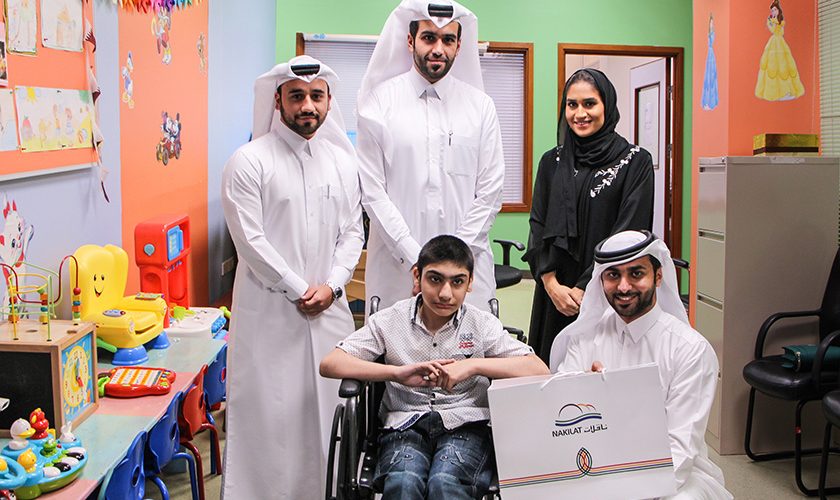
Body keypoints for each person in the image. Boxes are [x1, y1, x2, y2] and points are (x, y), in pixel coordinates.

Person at [220, 55, 364, 499]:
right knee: (271, 419)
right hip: (270, 315)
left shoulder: (342, 162)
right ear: (278, 100)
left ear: (328, 101)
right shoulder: (248, 162)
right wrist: (301, 289)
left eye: (316, 96)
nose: (308, 106)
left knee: (327, 413)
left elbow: (353, 230)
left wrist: (334, 285)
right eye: (297, 96)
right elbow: (251, 242)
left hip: (329, 311)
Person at [320, 235, 548, 500]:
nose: (445, 293)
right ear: (417, 277)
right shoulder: (391, 320)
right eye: (435, 279)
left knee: (444, 484)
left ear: (470, 283)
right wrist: (396, 374)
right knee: (404, 484)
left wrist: (472, 366)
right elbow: (331, 363)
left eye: (457, 282)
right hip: (404, 425)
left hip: (466, 425)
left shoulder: (481, 325)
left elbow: (538, 369)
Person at [553, 230, 732, 499]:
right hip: (592, 464)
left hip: (669, 471)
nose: (624, 287)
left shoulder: (690, 350)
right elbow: (561, 417)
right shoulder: (584, 338)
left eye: (636, 274)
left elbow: (680, 449)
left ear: (658, 277)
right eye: (613, 275)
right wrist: (590, 393)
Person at [356, 0, 505, 312]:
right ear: (410, 41)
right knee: (395, 359)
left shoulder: (480, 107)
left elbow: (490, 191)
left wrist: (453, 260)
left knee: (468, 360)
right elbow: (373, 192)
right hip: (399, 271)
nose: (438, 48)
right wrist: (417, 259)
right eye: (429, 38)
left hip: (467, 267)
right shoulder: (378, 102)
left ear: (459, 46)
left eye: (448, 40)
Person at [524, 67, 654, 364]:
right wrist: (551, 284)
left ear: (606, 105)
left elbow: (629, 230)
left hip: (607, 290)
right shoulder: (551, 162)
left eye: (589, 103)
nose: (579, 113)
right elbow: (538, 224)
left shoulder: (635, 162)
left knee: (599, 379)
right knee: (551, 376)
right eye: (572, 105)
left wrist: (586, 288)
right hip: (555, 295)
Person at [755, 0, 804, 101]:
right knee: (772, 66)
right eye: (772, 10)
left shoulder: (780, 21)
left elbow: (778, 31)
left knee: (783, 66)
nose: (773, 12)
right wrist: (770, 23)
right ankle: (775, 92)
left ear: (778, 10)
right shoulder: (772, 21)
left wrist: (772, 23)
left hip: (780, 43)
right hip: (774, 43)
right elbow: (773, 30)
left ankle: (786, 91)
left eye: (775, 10)